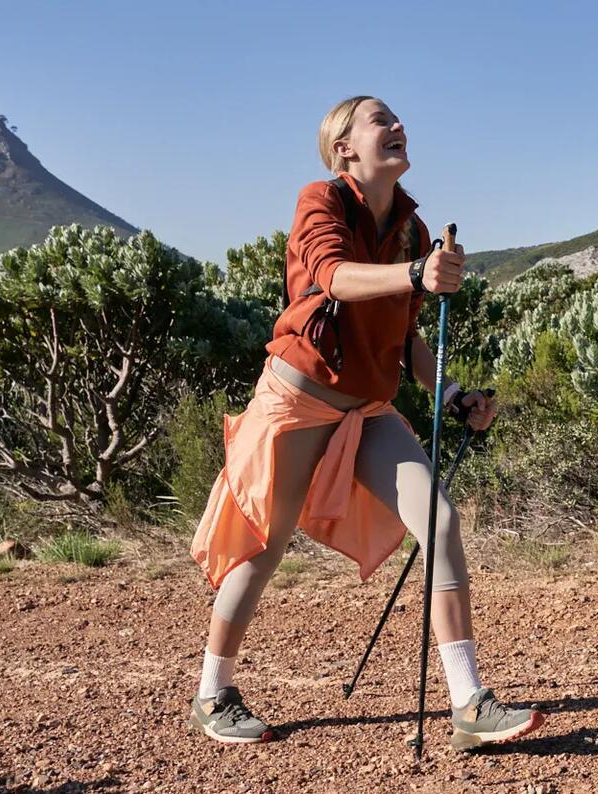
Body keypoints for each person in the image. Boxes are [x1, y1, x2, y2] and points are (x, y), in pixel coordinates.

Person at [188, 96, 544, 750]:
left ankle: (468, 702)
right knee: (265, 546)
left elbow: (405, 335)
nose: (398, 126)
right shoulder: (320, 201)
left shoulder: (411, 226)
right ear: (345, 148)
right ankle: (213, 693)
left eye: (398, 119)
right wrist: (414, 273)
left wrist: (453, 395)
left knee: (438, 520)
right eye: (381, 120)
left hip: (367, 409)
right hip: (298, 402)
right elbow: (332, 277)